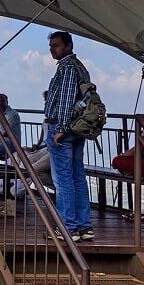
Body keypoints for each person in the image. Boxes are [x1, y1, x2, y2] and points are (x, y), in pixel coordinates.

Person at [43, 31, 94, 241]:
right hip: (77, 128)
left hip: (61, 128)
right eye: (51, 46)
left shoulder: (66, 68)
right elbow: (84, 99)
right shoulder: (81, 67)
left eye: (56, 45)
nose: (52, 49)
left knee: (63, 179)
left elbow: (65, 101)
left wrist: (61, 128)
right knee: (77, 177)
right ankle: (84, 227)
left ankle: (67, 228)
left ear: (69, 46)